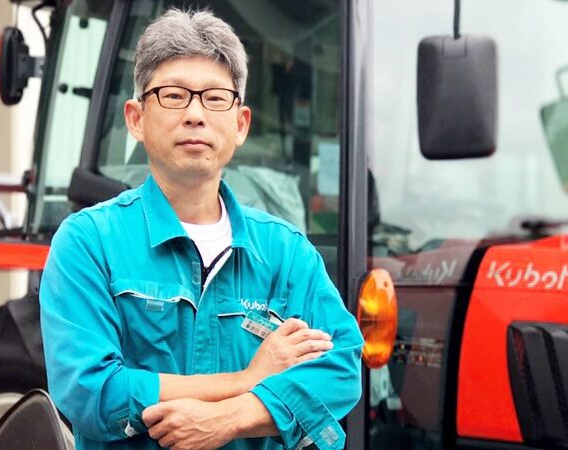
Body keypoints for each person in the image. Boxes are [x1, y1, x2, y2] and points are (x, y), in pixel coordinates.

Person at [39, 8, 363, 450]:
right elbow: (92, 391)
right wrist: (246, 379)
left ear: (241, 124)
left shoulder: (286, 253)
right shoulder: (89, 242)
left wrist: (231, 418)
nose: (195, 114)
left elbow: (341, 368)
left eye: (214, 98)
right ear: (136, 119)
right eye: (174, 96)